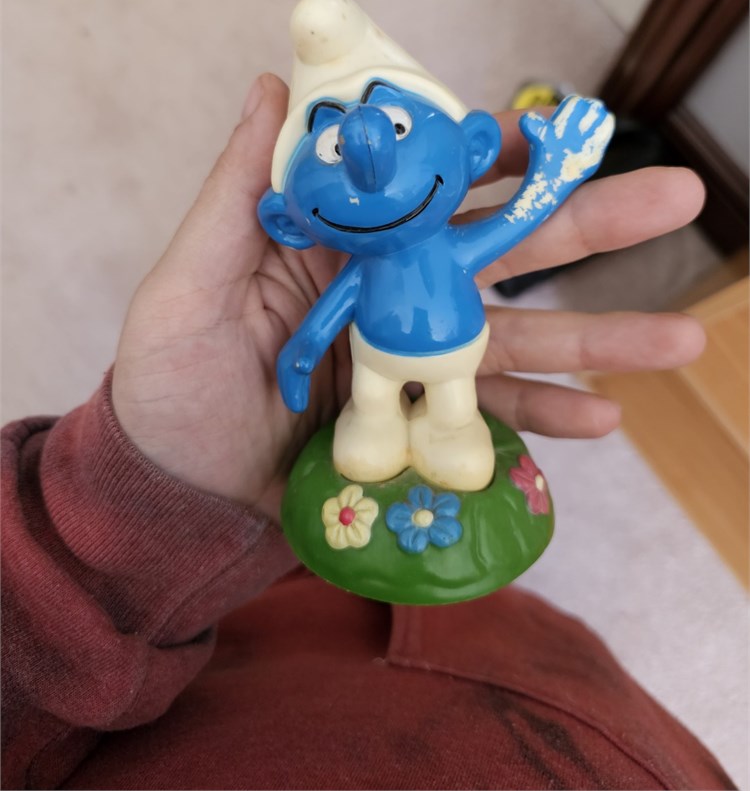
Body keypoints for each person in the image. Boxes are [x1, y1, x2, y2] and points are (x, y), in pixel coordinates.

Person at [2, 75, 734, 790]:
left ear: (476, 149)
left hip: (453, 369)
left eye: (400, 131)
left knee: (455, 428)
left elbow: (519, 219)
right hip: (372, 373)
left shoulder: (453, 248)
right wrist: (295, 359)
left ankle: (445, 435)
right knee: (366, 433)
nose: (369, 158)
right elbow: (323, 321)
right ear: (291, 223)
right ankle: (387, 431)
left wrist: (558, 169)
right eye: (332, 154)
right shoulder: (356, 267)